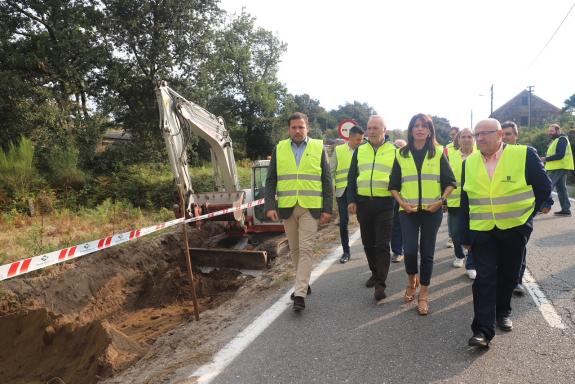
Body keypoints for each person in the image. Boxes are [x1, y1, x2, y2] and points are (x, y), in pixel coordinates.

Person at [461, 118, 551, 348]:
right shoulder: (469, 163)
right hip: (482, 232)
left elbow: (544, 187)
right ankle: (482, 330)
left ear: (500, 134)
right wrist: (465, 235)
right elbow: (465, 201)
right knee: (485, 279)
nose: (479, 138)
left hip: (514, 229)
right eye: (476, 134)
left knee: (508, 276)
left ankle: (503, 312)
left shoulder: (524, 155)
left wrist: (526, 219)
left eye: (485, 133)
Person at [265, 112, 333, 312]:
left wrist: (327, 208)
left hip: (310, 208)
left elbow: (326, 180)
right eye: (294, 127)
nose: (297, 131)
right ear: (289, 129)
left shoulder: (318, 147)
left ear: (307, 128)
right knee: (294, 250)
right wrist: (270, 205)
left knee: (306, 248)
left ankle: (300, 293)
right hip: (287, 207)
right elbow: (271, 180)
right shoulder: (280, 148)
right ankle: (303, 282)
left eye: (301, 127)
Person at [389, 113, 456, 315]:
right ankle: (412, 281)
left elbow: (451, 182)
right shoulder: (401, 154)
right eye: (415, 126)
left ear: (429, 131)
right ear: (411, 130)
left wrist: (441, 202)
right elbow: (393, 185)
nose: (419, 129)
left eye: (423, 126)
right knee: (409, 250)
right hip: (407, 211)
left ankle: (424, 294)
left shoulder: (437, 152)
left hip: (431, 212)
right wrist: (402, 203)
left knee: (427, 253)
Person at [347, 115, 396, 302]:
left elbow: (398, 177)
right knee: (368, 243)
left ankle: (380, 284)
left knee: (382, 244)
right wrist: (351, 199)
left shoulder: (395, 151)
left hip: (385, 204)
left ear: (385, 129)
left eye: (376, 128)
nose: (372, 131)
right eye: (370, 128)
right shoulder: (360, 150)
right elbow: (352, 177)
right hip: (364, 203)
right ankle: (375, 273)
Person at [501, 120, 533, 296]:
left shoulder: (525, 154)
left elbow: (540, 183)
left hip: (521, 214)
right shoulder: (491, 156)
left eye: (509, 134)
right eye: (503, 134)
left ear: (516, 136)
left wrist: (534, 209)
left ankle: (517, 281)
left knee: (519, 248)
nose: (505, 137)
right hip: (496, 214)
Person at [331, 126, 365, 263]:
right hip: (342, 192)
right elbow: (331, 172)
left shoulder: (363, 151)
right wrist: (334, 190)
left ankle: (369, 247)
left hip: (359, 191)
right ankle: (346, 252)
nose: (360, 142)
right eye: (358, 139)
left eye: (361, 140)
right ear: (350, 137)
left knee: (364, 220)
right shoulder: (338, 150)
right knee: (343, 222)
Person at [447, 128, 476, 279]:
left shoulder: (481, 154)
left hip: (475, 202)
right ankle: (459, 255)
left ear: (474, 138)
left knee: (474, 233)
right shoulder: (451, 156)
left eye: (469, 136)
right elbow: (445, 179)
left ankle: (471, 264)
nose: (466, 139)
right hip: (455, 201)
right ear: (458, 140)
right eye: (463, 137)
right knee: (456, 233)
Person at [540, 123, 574, 217]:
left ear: (558, 131)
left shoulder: (561, 139)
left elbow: (560, 155)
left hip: (558, 168)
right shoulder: (557, 140)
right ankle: (566, 210)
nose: (549, 133)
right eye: (549, 131)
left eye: (552, 131)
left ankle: (542, 207)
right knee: (561, 189)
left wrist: (545, 159)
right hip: (559, 167)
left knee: (546, 186)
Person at [391, 139, 407, 262]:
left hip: (408, 199)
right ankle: (397, 251)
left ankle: (410, 248)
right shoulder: (390, 158)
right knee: (395, 224)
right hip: (394, 197)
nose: (398, 149)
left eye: (400, 147)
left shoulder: (408, 160)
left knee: (408, 225)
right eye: (396, 146)